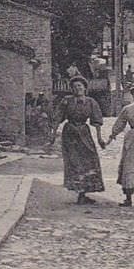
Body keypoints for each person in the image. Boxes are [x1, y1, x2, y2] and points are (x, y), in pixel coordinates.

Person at [55, 75, 106, 204]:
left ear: (84, 88)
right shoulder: (67, 101)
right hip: (70, 133)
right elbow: (58, 117)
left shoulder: (91, 102)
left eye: (79, 86)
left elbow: (97, 121)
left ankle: (84, 192)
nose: (77, 88)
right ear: (72, 89)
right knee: (74, 162)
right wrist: (52, 135)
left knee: (89, 159)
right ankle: (79, 192)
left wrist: (99, 138)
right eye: (74, 86)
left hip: (84, 132)